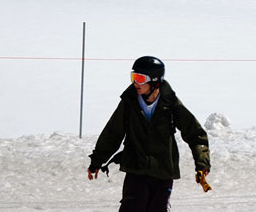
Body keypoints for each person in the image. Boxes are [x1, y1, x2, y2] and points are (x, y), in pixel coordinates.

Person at [88, 56, 211, 211]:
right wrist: (97, 161)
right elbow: (113, 133)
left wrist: (202, 164)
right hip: (136, 169)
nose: (135, 83)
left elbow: (195, 134)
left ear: (155, 80)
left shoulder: (170, 104)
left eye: (140, 78)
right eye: (133, 77)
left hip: (164, 171)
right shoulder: (129, 102)